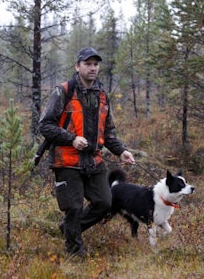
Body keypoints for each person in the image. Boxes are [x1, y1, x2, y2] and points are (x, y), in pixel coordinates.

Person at [39, 47, 135, 257]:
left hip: (94, 161)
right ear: (77, 66)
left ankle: (69, 230)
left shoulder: (101, 95)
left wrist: (121, 151)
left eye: (95, 64)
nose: (92, 68)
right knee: (73, 207)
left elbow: (108, 132)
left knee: (105, 203)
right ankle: (75, 252)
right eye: (87, 64)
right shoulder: (63, 91)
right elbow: (45, 125)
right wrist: (71, 138)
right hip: (67, 161)